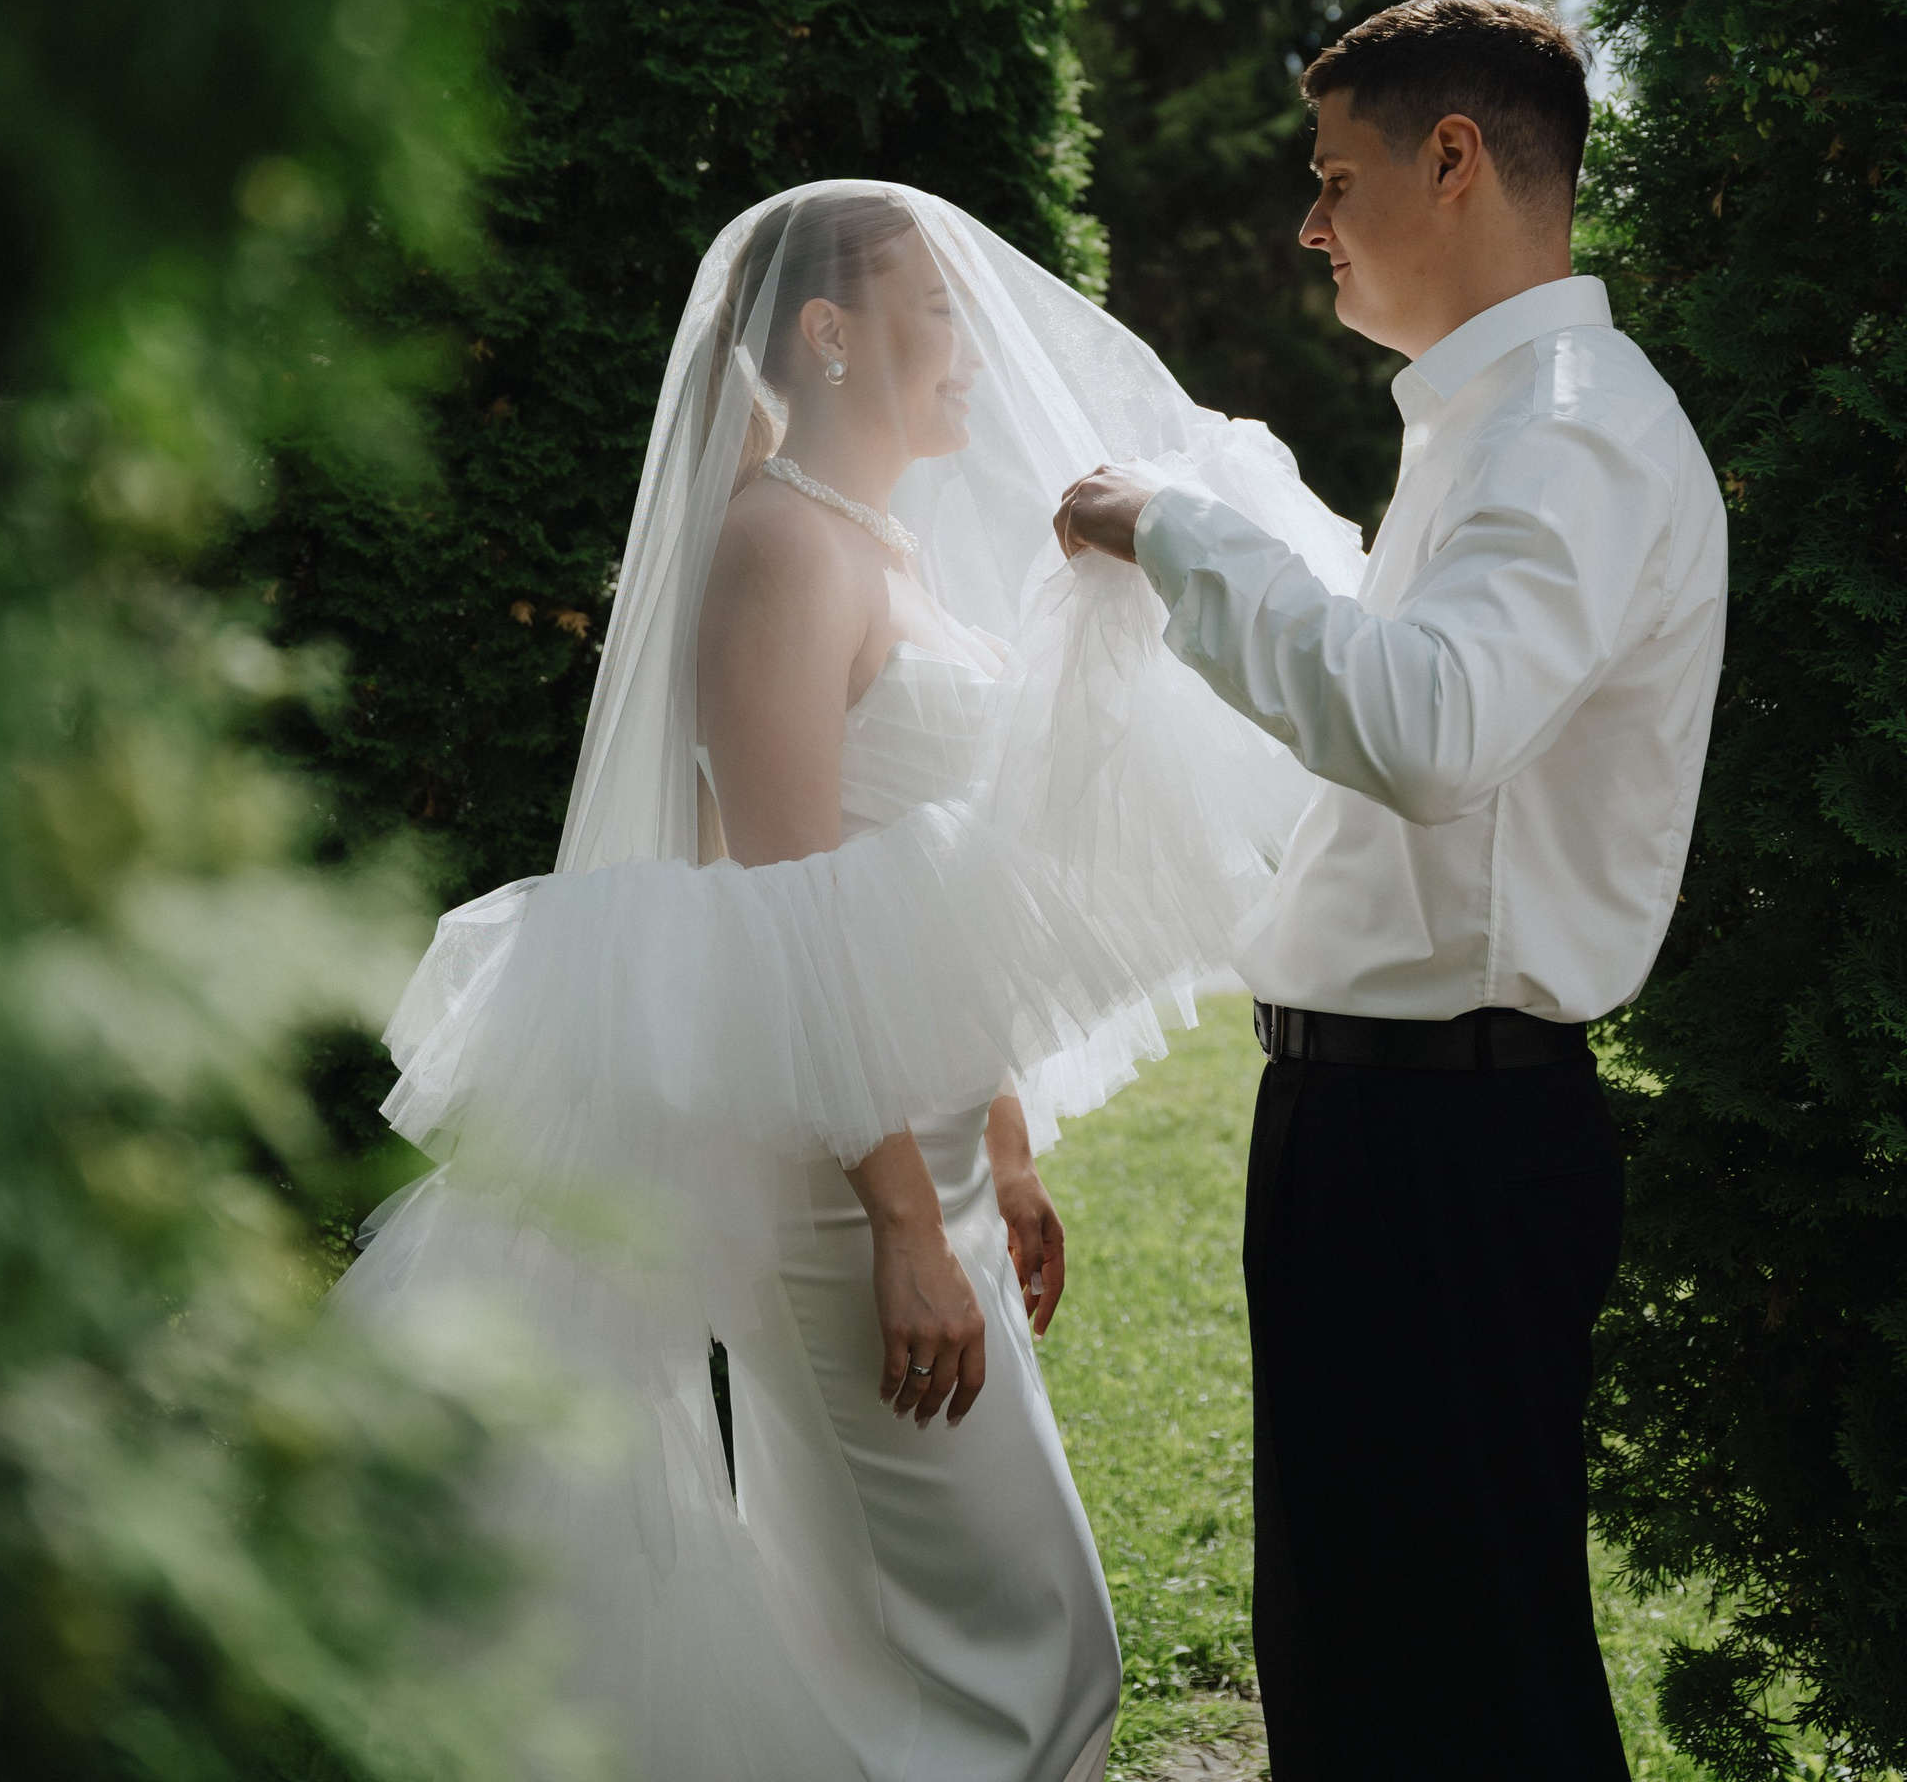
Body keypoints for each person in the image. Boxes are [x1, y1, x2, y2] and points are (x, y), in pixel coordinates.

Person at [336, 179, 1364, 1782]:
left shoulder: (881, 544)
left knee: (923, 1648)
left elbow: (925, 900)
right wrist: (900, 1223)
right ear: (828, 332)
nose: (972, 347)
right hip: (844, 1177)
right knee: (1031, 1651)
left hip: (925, 1148)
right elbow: (789, 915)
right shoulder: (777, 547)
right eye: (935, 311)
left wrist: (1001, 1151)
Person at [1058, 0, 1728, 1782]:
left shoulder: (1569, 428)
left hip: (1448, 1138)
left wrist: (1176, 533)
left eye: (1333, 176)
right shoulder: (1494, 424)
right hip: (1384, 1124)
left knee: (1466, 1688)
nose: (1310, 223)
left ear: (1452, 159)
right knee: (1369, 1669)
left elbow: (1430, 729)